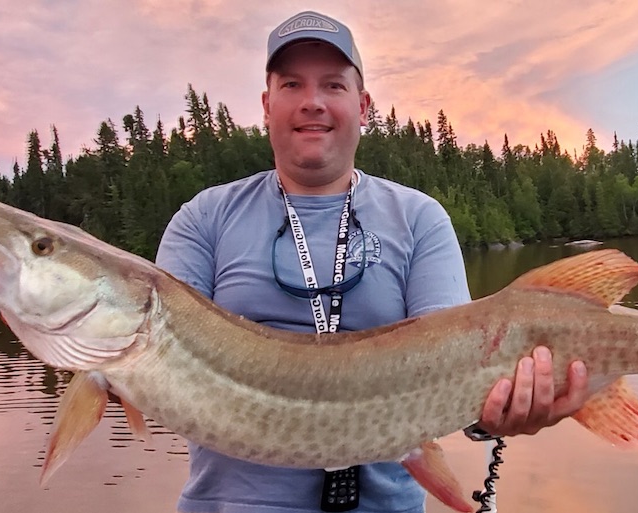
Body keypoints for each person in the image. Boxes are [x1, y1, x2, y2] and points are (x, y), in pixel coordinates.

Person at [154, 10, 590, 513]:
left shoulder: (419, 219)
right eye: (292, 84)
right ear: (267, 105)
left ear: (362, 107)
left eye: (333, 85)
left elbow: (460, 374)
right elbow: (156, 376)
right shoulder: (203, 218)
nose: (312, 102)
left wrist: (494, 413)